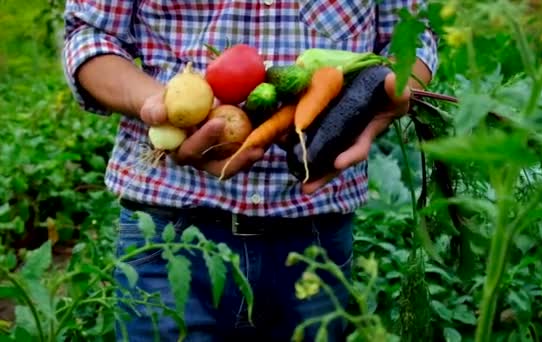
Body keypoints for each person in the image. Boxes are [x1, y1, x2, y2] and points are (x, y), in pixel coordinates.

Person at [62, 1, 438, 341]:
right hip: (167, 237)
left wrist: (388, 97)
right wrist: (157, 106)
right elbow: (90, 33)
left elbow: (414, 36)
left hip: (315, 241)